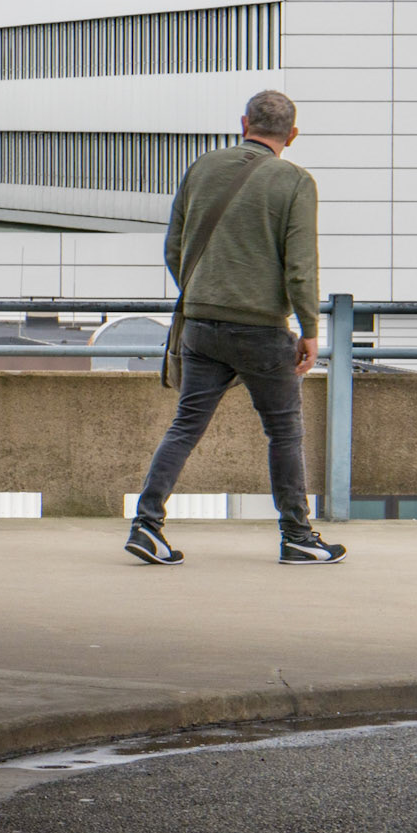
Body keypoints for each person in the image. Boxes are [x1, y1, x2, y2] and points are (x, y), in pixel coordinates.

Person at [126, 88, 346, 568]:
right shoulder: (295, 181)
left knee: (185, 426)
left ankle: (146, 524)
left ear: (244, 123)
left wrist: (204, 292)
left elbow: (174, 246)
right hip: (261, 331)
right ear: (291, 134)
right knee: (284, 431)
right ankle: (297, 536)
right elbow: (300, 266)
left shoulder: (202, 168)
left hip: (201, 326)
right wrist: (309, 328)